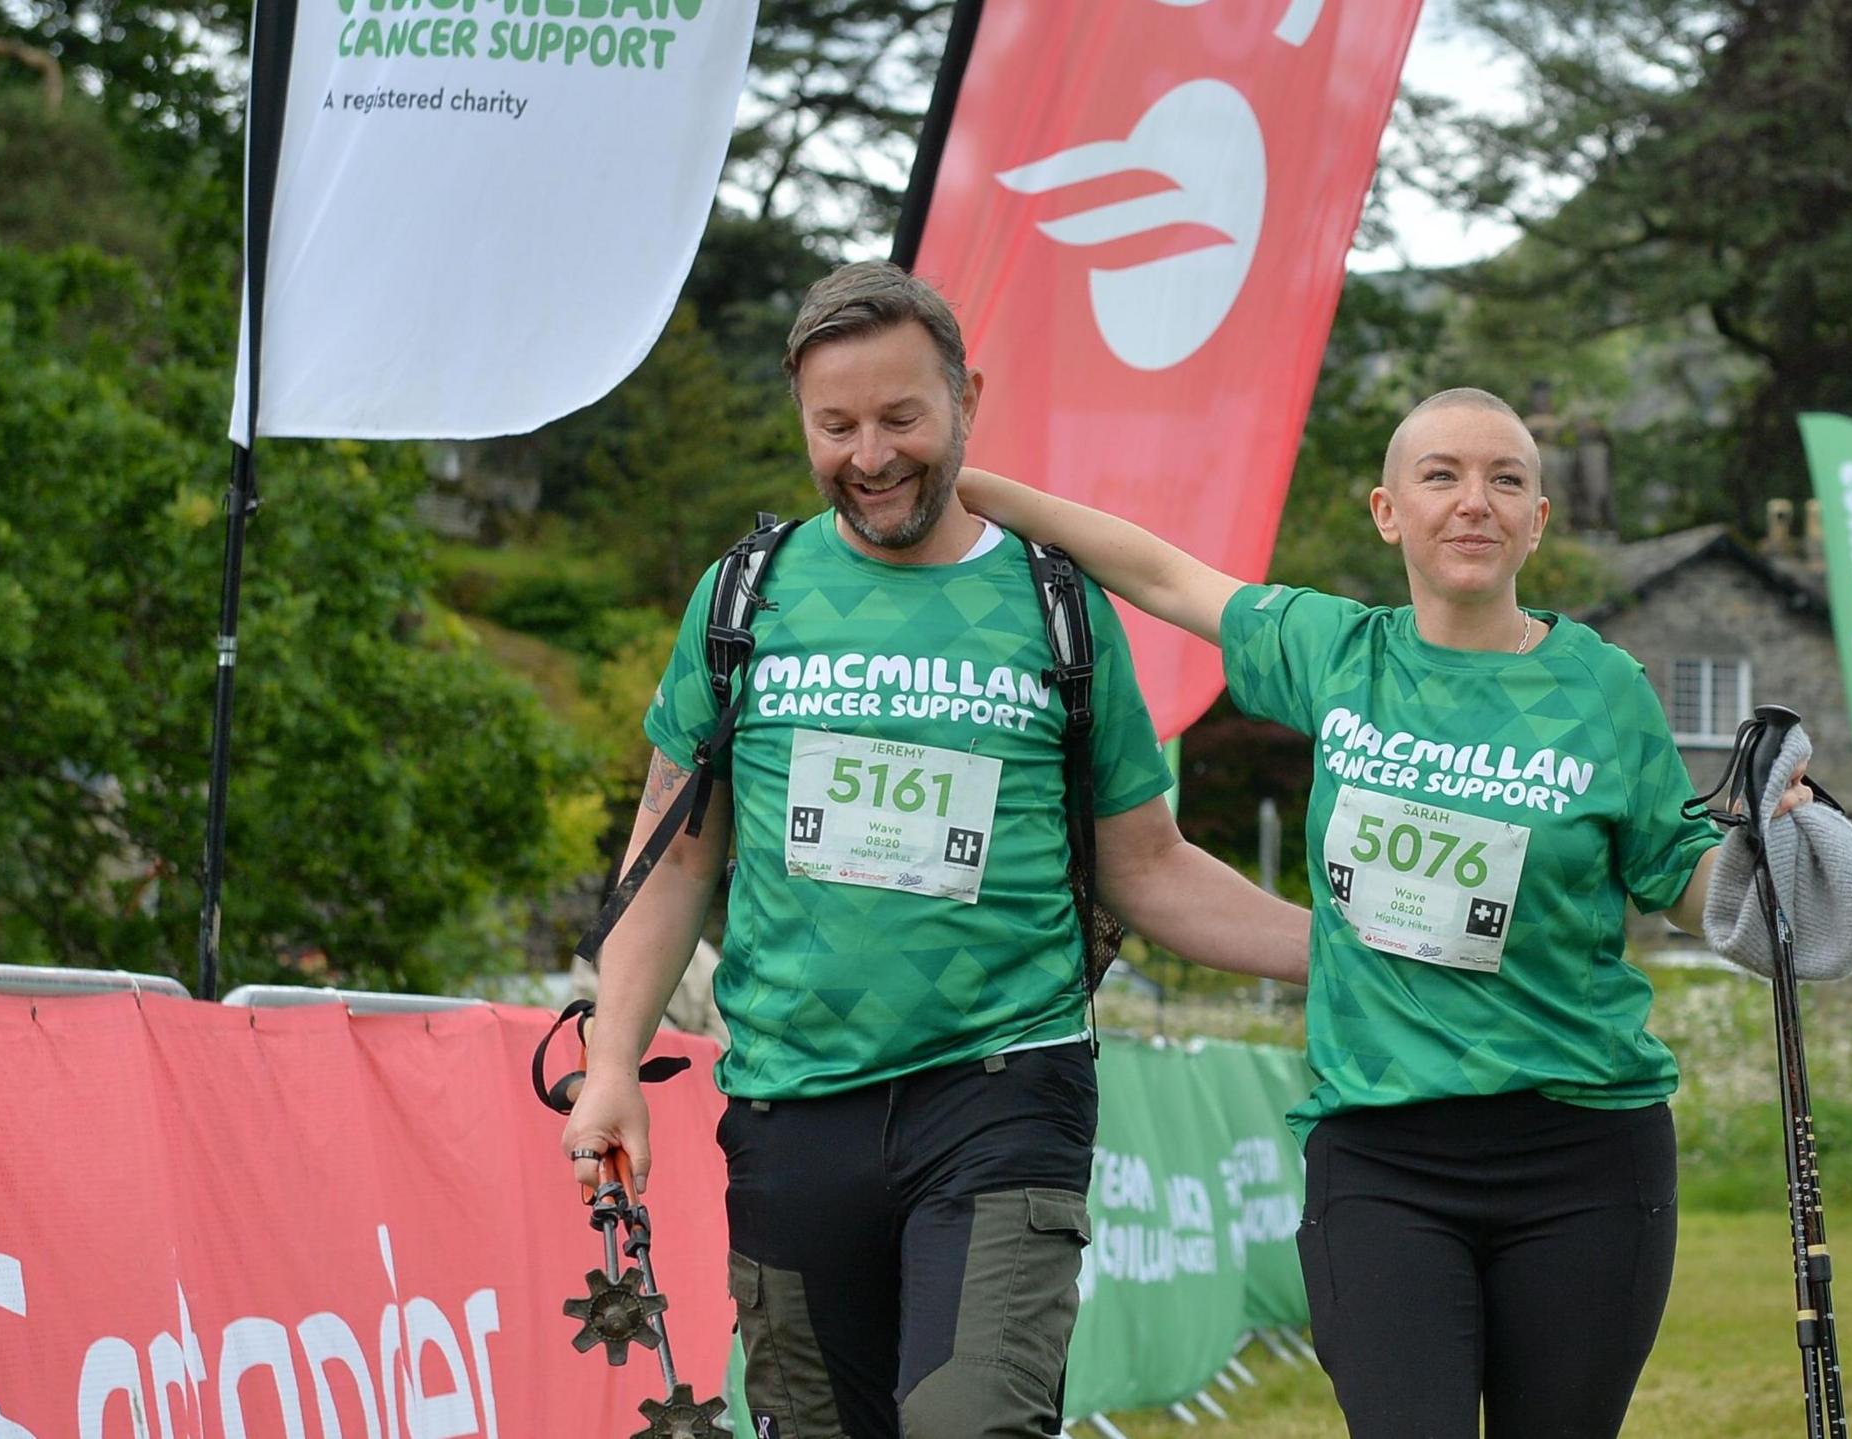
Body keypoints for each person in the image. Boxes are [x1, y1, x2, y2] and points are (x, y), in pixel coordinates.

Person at [956, 387, 1852, 1436]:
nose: (1472, 501)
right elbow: (1164, 573)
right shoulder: (1340, 653)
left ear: (1537, 521)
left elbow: (1680, 879)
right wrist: (970, 488)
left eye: (1505, 479)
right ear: (1388, 510)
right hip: (1379, 1155)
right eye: (1440, 476)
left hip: (1585, 1153)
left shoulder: (1602, 685)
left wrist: (1775, 850)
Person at [559, 260, 1311, 1439]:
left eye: (902, 416)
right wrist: (613, 1063)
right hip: (791, 1104)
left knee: (971, 1423)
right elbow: (674, 860)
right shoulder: (744, 599)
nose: (870, 455)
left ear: (967, 395)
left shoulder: (1057, 605)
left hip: (1003, 1089)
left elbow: (1149, 865)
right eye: (836, 424)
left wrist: (1346, 953)